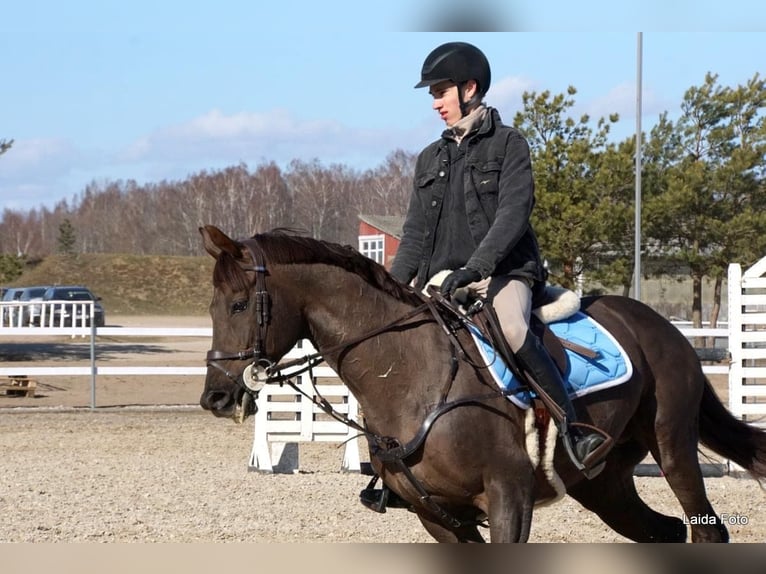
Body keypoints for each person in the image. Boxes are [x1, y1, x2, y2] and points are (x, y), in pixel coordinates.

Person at [389, 41, 605, 472]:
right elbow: (414, 233)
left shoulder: (509, 145)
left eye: (440, 92)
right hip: (442, 281)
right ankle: (396, 461)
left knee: (511, 328)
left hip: (503, 274)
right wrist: (392, 287)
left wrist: (477, 267)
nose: (435, 103)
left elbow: (512, 215)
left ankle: (574, 428)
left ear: (470, 88)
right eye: (432, 95)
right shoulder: (429, 158)